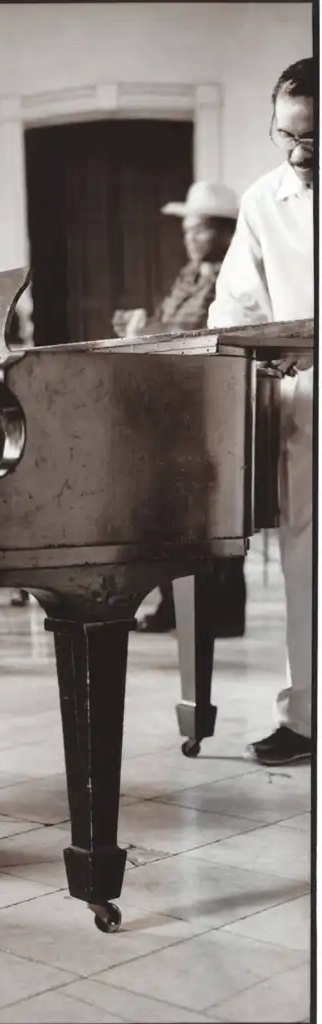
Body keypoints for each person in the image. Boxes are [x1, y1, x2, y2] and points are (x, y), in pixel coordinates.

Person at [207, 57, 314, 767]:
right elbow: (235, 307)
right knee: (307, 564)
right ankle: (305, 718)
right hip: (307, 404)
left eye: (315, 138)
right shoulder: (263, 200)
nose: (300, 154)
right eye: (287, 135)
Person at [111, 183, 245, 637]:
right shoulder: (189, 275)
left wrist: (149, 328)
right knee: (174, 511)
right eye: (186, 230)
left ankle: (217, 611)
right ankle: (176, 605)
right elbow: (170, 322)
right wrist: (141, 325)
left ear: (224, 231)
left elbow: (207, 331)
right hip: (176, 403)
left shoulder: (235, 274)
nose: (189, 239)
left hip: (212, 404)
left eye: (199, 229)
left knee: (212, 513)